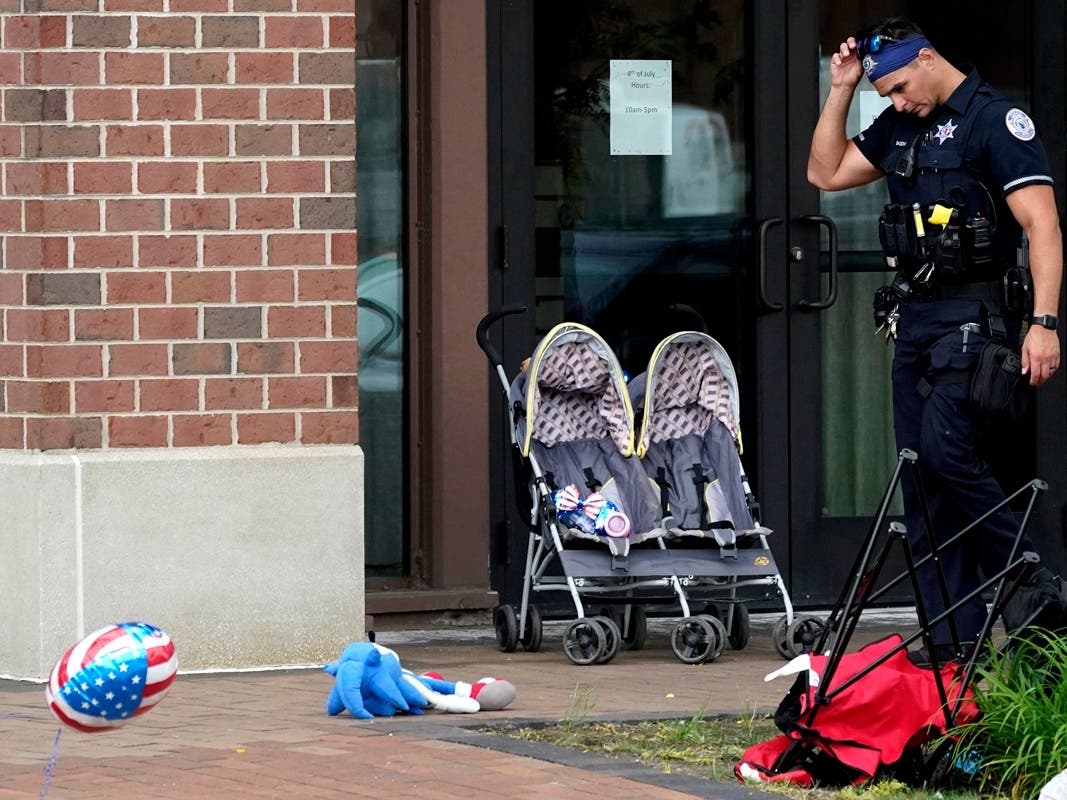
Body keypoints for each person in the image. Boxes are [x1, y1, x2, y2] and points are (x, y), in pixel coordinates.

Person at [808, 17, 1064, 662]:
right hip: (916, 322)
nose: (896, 102)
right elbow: (826, 173)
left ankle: (1032, 574)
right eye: (884, 93)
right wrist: (842, 88)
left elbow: (1043, 227)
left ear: (927, 57)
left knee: (947, 456)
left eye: (898, 86)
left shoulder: (995, 121)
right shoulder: (899, 123)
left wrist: (1045, 323)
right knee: (922, 484)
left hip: (975, 321)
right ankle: (954, 645)